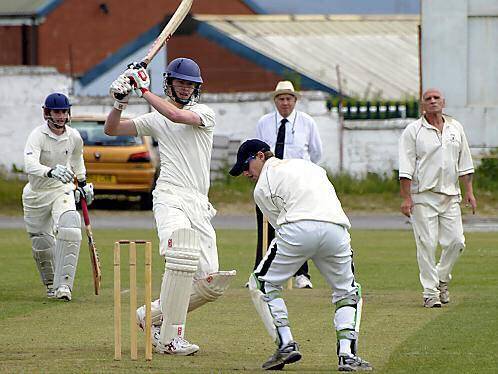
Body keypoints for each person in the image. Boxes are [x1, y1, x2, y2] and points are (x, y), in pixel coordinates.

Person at [105, 58, 235, 356]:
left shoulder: (204, 113)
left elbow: (177, 117)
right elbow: (113, 130)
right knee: (181, 253)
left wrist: (144, 90)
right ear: (170, 83)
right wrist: (120, 101)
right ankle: (171, 337)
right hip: (169, 196)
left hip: (199, 203)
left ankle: (150, 315)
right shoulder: (155, 118)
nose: (186, 87)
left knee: (211, 282)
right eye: (180, 82)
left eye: (190, 84)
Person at [229, 139, 372, 371]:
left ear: (261, 156)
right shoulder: (311, 167)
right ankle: (347, 354)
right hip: (337, 229)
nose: (246, 173)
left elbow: (279, 227)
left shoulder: (261, 188)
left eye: (246, 166)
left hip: (297, 228)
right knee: (347, 291)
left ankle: (285, 343)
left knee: (260, 284)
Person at [399, 88, 477, 308]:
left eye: (436, 98)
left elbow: (465, 163)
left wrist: (469, 192)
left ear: (444, 102)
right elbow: (405, 168)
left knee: (457, 242)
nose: (432, 101)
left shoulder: (455, 128)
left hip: (451, 194)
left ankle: (442, 278)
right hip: (423, 195)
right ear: (422, 104)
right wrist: (406, 198)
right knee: (426, 244)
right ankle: (430, 292)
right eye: (428, 99)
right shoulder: (413, 131)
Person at [23, 92, 94, 301]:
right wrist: (50, 171)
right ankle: (51, 284)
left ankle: (65, 285)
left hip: (60, 189)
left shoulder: (74, 136)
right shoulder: (37, 135)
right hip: (36, 194)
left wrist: (82, 183)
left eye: (64, 111)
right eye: (57, 112)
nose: (61, 116)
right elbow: (29, 164)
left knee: (70, 224)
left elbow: (77, 158)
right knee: (42, 244)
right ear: (47, 113)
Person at [253, 80, 323, 289]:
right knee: (266, 229)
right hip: (270, 182)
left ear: (295, 101)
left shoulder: (307, 122)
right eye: (281, 99)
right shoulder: (264, 122)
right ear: (275, 101)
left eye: (289, 99)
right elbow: (256, 154)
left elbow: (317, 153)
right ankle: (262, 272)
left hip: (297, 184)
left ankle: (302, 275)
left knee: (298, 227)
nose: (285, 103)